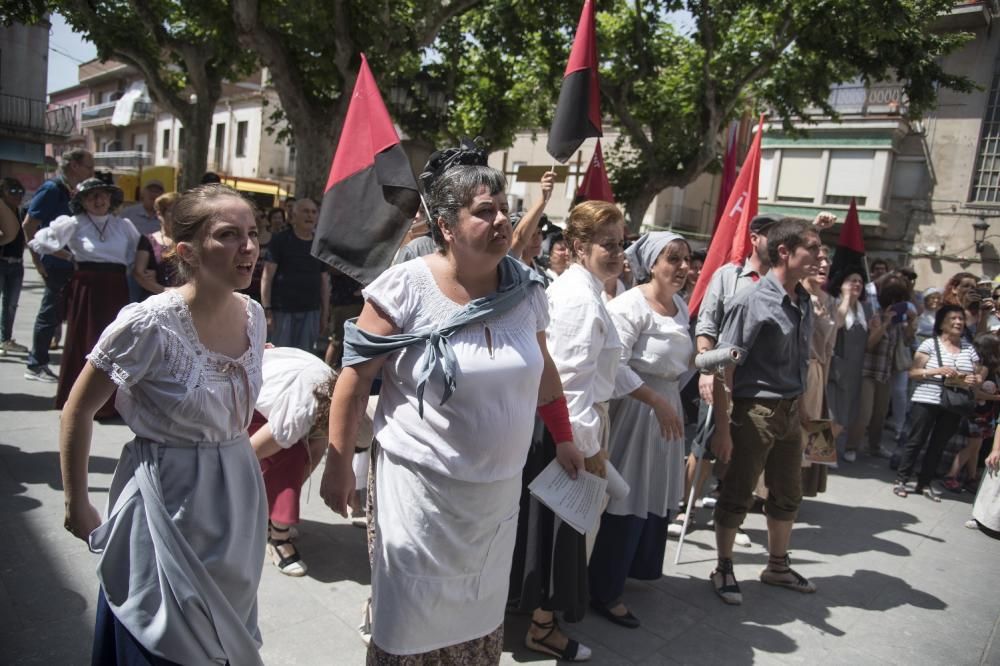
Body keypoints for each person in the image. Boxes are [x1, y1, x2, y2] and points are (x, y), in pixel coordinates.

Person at [318, 159, 584, 664]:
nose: (502, 220)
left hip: (495, 500)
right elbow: (355, 379)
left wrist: (564, 436)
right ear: (445, 226)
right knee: (411, 621)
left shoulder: (527, 290)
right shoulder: (404, 288)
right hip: (420, 495)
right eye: (485, 211)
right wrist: (336, 462)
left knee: (474, 622)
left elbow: (544, 370)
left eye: (505, 209)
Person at [59, 184, 267, 665]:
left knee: (222, 634)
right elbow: (79, 408)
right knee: (160, 634)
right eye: (229, 235)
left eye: (253, 234)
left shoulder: (254, 316)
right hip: (165, 497)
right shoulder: (148, 323)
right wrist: (76, 503)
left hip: (236, 496)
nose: (249, 247)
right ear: (186, 252)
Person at [510, 200, 630, 660]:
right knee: (563, 535)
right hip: (571, 429)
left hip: (566, 423)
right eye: (607, 244)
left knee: (551, 531)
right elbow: (567, 376)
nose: (617, 252)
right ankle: (543, 627)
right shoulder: (579, 297)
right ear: (579, 246)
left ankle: (539, 618)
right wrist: (580, 444)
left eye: (621, 244)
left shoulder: (584, 289)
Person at [709, 217, 821, 606]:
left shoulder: (803, 299)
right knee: (738, 490)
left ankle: (777, 565)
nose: (820, 256)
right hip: (755, 411)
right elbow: (725, 366)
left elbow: (797, 361)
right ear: (785, 252)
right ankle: (723, 566)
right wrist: (722, 429)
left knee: (789, 492)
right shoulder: (752, 300)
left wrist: (806, 413)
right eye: (813, 247)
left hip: (790, 410)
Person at [588, 232, 692, 629]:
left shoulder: (678, 305)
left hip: (666, 408)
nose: (683, 267)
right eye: (674, 259)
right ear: (652, 263)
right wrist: (653, 399)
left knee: (651, 490)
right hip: (636, 411)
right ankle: (604, 588)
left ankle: (633, 569)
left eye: (687, 259)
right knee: (626, 496)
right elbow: (613, 364)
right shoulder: (631, 305)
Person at [28, 178, 139, 419]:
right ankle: (79, 403)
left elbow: (132, 257)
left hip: (115, 288)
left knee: (115, 343)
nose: (99, 201)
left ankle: (112, 404)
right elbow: (39, 241)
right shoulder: (73, 223)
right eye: (91, 197)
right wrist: (69, 257)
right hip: (87, 287)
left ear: (111, 199)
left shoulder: (124, 226)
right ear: (81, 201)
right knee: (85, 340)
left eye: (102, 195)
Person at [250, 346, 337, 576]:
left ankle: (271, 519)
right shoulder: (305, 408)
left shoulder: (330, 393)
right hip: (248, 400)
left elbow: (317, 450)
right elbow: (249, 453)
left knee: (304, 451)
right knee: (292, 456)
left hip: (273, 394)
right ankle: (277, 539)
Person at [895, 303, 984, 500]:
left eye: (961, 319)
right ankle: (902, 479)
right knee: (916, 440)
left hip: (954, 402)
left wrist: (973, 379)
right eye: (953, 318)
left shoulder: (969, 348)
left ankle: (924, 483)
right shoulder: (929, 344)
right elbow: (913, 372)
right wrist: (936, 371)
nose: (958, 322)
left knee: (939, 444)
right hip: (927, 398)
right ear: (942, 323)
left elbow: (978, 376)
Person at [23, 148, 94, 382]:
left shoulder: (73, 191)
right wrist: (40, 260)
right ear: (74, 165)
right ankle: (36, 364)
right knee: (50, 313)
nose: (91, 171)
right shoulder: (52, 189)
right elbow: (29, 226)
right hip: (56, 265)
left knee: (64, 315)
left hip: (74, 266)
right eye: (88, 166)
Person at [846, 273, 915, 459]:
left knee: (880, 414)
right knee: (864, 413)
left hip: (885, 373)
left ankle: (874, 446)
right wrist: (884, 323)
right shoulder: (873, 314)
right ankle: (851, 447)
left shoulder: (901, 321)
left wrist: (912, 321)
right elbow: (869, 344)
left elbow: (908, 342)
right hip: (867, 371)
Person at [261, 198, 329, 352]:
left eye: (313, 212)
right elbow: (267, 278)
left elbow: (324, 281)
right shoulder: (280, 241)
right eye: (305, 211)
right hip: (282, 312)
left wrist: (325, 314)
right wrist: (267, 310)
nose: (310, 216)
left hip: (311, 311)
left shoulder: (320, 244)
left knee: (304, 359)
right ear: (293, 216)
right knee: (279, 357)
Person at [800, 245, 837, 495]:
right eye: (819, 259)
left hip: (818, 372)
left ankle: (796, 490)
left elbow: (830, 347)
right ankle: (768, 491)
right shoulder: (797, 294)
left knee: (814, 434)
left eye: (827, 260)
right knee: (795, 432)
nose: (824, 265)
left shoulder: (829, 300)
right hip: (798, 371)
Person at [828, 268, 868, 462]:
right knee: (832, 416)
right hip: (837, 370)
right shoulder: (835, 303)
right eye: (852, 280)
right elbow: (838, 323)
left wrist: (881, 326)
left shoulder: (863, 310)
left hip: (854, 371)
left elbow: (868, 344)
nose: (857, 284)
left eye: (860, 281)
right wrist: (845, 297)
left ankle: (825, 454)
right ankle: (820, 456)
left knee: (844, 417)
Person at [132, 192, 180, 297]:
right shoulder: (147, 240)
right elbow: (138, 273)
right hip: (155, 299)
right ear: (159, 214)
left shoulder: (188, 240)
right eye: (172, 211)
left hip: (184, 299)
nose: (177, 215)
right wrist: (165, 291)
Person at [0, 177, 27, 355]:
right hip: (2, 263)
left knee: (11, 305)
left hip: (17, 264)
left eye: (20, 192)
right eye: (13, 192)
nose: (18, 196)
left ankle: (5, 340)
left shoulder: (21, 211)